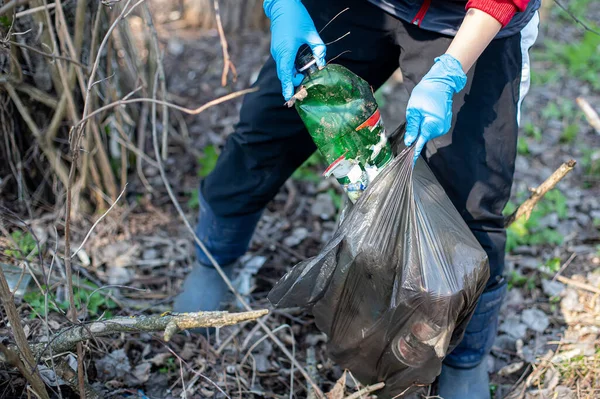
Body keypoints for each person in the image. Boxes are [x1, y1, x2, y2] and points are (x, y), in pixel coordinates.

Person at [174, 0, 540, 397]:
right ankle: (214, 258)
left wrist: (450, 71)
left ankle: (464, 358)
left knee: (470, 194)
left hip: (469, 22)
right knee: (267, 131)